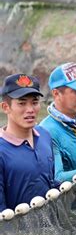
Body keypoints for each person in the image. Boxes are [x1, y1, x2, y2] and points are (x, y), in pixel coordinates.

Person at [0, 74, 58, 211]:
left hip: (52, 225)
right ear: (5, 107)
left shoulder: (44, 136)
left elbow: (52, 182)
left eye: (35, 102)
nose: (30, 110)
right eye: (22, 103)